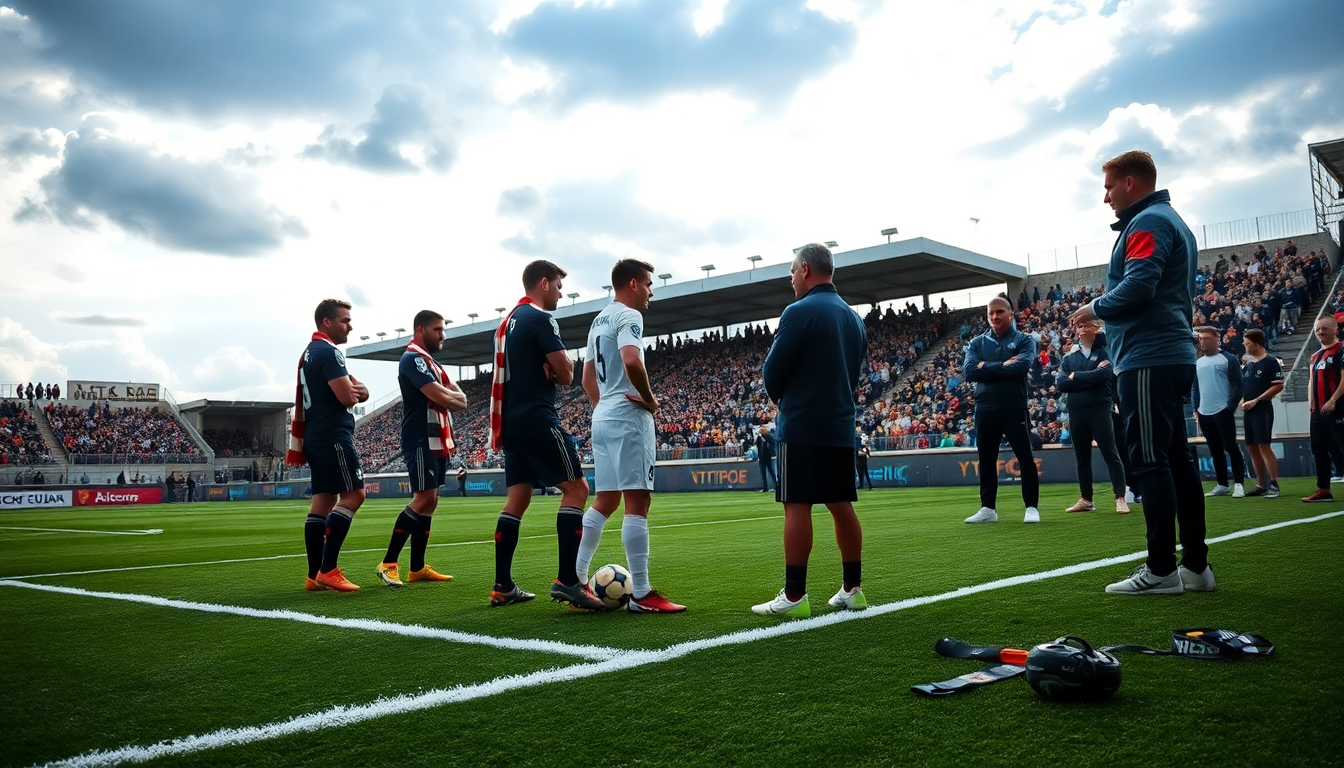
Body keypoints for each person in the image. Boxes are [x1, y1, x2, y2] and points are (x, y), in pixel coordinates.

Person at [1070, 149, 1212, 595]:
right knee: (1176, 461)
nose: (1105, 197)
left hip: (1149, 357)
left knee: (1150, 462)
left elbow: (1139, 285)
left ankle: (1161, 570)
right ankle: (1194, 567)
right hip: (1168, 355)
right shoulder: (1169, 219)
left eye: (1109, 186)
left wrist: (1092, 307)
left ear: (1131, 182)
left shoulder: (1148, 221)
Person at [752, 243, 868, 618]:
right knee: (841, 505)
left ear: (804, 270)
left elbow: (772, 374)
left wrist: (784, 398)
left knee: (796, 505)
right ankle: (853, 589)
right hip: (839, 425)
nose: (790, 280)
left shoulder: (798, 311)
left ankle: (794, 595)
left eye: (790, 272)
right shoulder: (854, 318)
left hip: (801, 424)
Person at [488, 260, 605, 611]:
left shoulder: (506, 324)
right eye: (557, 286)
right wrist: (556, 369)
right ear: (543, 283)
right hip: (537, 417)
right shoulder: (541, 319)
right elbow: (567, 374)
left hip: (509, 421)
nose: (560, 293)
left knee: (518, 499)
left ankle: (502, 585)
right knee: (577, 489)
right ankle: (568, 581)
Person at [577, 258, 686, 613]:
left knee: (605, 499)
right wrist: (651, 402)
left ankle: (576, 581)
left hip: (603, 416)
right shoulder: (630, 316)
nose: (652, 291)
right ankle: (641, 593)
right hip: (627, 417)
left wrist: (602, 408)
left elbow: (586, 380)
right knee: (637, 502)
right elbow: (632, 361)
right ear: (634, 284)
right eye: (649, 284)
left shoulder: (597, 320)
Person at [376, 309, 468, 588]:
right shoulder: (413, 359)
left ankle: (417, 568)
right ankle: (389, 563)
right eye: (438, 329)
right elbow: (441, 395)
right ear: (420, 330)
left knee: (431, 502)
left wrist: (452, 396)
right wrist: (451, 396)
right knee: (423, 499)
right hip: (420, 438)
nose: (443, 335)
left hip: (437, 439)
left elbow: (461, 398)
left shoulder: (432, 363)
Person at [286, 298, 370, 592]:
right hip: (332, 435)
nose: (350, 325)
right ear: (327, 322)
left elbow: (349, 390)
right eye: (345, 320)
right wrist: (363, 392)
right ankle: (328, 568)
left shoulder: (309, 352)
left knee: (322, 502)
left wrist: (357, 390)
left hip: (314, 435)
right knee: (354, 495)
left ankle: (313, 575)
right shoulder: (329, 353)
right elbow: (349, 397)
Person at [962, 296, 1041, 524]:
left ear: (1010, 313)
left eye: (999, 312)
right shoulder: (977, 342)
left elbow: (1021, 366)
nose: (995, 317)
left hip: (1014, 406)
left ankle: (1031, 507)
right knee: (986, 459)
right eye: (990, 313)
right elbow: (969, 372)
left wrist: (984, 367)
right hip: (984, 407)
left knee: (1025, 457)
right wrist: (1002, 365)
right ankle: (988, 508)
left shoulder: (1024, 340)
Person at [1057, 317, 1129, 514]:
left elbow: (1103, 375)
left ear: (1097, 328)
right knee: (1082, 457)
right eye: (1079, 326)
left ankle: (1120, 498)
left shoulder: (1106, 351)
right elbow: (1061, 384)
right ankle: (1086, 499)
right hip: (1076, 411)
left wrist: (1076, 376)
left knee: (1110, 453)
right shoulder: (1070, 357)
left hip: (1099, 409)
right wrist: (1086, 377)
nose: (1081, 329)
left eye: (1086, 325)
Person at [1192, 327, 1246, 499]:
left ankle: (1239, 484)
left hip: (1222, 410)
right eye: (1200, 338)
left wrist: (1229, 407)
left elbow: (1238, 385)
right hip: (1204, 412)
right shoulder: (1198, 362)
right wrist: (1196, 409)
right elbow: (1195, 388)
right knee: (1214, 450)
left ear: (1217, 339)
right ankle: (1222, 484)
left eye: (1206, 338)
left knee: (1231, 447)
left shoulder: (1228, 359)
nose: (1202, 342)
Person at [1302, 316, 1344, 503]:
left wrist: (1333, 399)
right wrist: (1311, 402)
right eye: (1317, 329)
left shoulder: (1341, 350)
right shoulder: (1314, 355)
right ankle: (1323, 490)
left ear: (1335, 329)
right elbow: (1311, 381)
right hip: (1317, 412)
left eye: (1324, 328)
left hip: (1338, 408)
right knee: (1318, 449)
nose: (1320, 332)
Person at [1239, 329, 1283, 498]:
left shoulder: (1270, 362)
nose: (1244, 345)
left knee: (1264, 444)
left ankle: (1274, 484)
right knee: (1251, 445)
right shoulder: (1249, 365)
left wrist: (1256, 400)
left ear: (1257, 344)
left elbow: (1278, 385)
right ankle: (1261, 484)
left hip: (1262, 409)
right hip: (1249, 411)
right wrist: (1243, 401)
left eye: (1248, 343)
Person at [755, 423, 778, 493]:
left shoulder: (769, 437)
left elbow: (772, 445)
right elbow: (757, 446)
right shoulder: (759, 438)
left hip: (768, 457)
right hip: (761, 458)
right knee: (763, 474)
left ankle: (776, 487)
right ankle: (765, 488)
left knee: (772, 473)